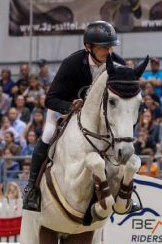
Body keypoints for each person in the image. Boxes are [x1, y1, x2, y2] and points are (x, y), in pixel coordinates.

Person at [22, 21, 127, 212]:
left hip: (97, 118)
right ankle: (32, 188)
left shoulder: (117, 64)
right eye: (104, 47)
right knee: (47, 136)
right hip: (64, 110)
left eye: (111, 46)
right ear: (88, 47)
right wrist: (70, 105)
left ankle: (125, 190)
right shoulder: (71, 64)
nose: (109, 51)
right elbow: (50, 99)